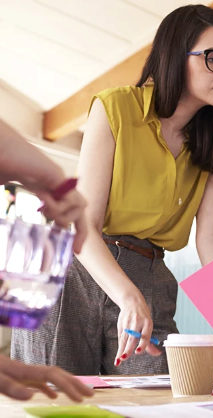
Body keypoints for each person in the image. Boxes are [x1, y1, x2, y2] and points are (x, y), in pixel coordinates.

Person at [12, 5, 213, 375]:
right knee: (57, 404)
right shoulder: (115, 107)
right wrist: (126, 295)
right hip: (67, 269)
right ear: (174, 56)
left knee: (157, 398)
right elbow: (83, 223)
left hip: (148, 271)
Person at [0, 119, 93, 401]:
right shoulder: (114, 107)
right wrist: (52, 178)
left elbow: (212, 239)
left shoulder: (210, 149)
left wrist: (52, 179)